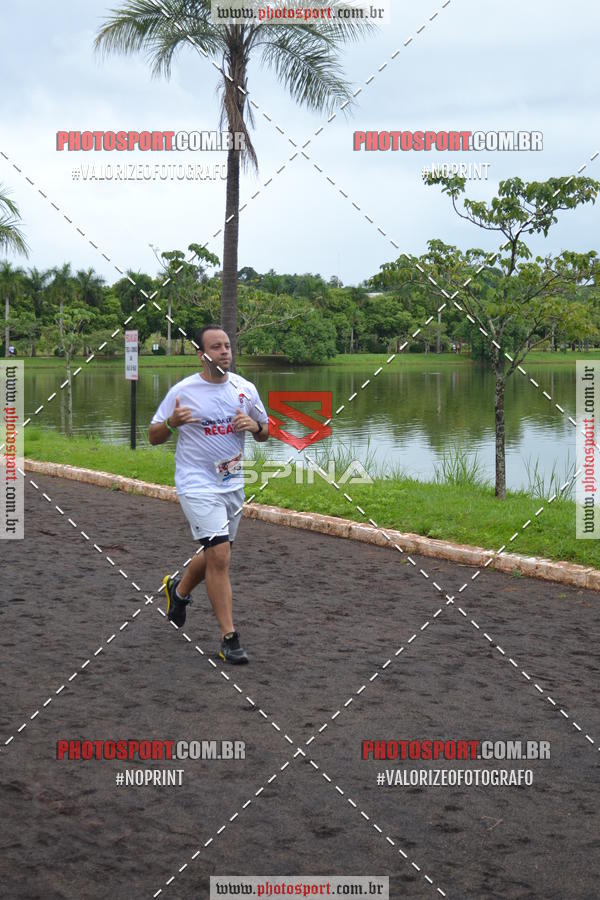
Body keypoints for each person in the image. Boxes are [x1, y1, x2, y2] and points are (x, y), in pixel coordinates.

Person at [149, 324, 269, 664]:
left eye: (227, 345)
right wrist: (172, 422)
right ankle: (229, 639)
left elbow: (267, 431)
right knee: (219, 556)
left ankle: (178, 590)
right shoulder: (184, 391)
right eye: (216, 347)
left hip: (232, 482)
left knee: (220, 550)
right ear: (202, 355)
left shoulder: (244, 389)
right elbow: (153, 436)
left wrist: (255, 426)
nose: (225, 352)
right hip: (196, 483)